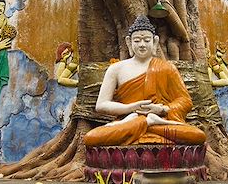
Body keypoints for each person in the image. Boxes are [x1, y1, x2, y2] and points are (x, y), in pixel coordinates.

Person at [83, 15, 206, 146]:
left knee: (197, 136)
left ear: (155, 42)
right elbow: (101, 105)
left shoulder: (167, 68)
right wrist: (130, 108)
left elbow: (185, 101)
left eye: (147, 40)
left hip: (158, 119)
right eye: (137, 41)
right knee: (91, 138)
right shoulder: (116, 69)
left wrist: (163, 110)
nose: (142, 45)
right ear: (129, 42)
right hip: (128, 120)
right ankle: (146, 123)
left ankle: (148, 123)